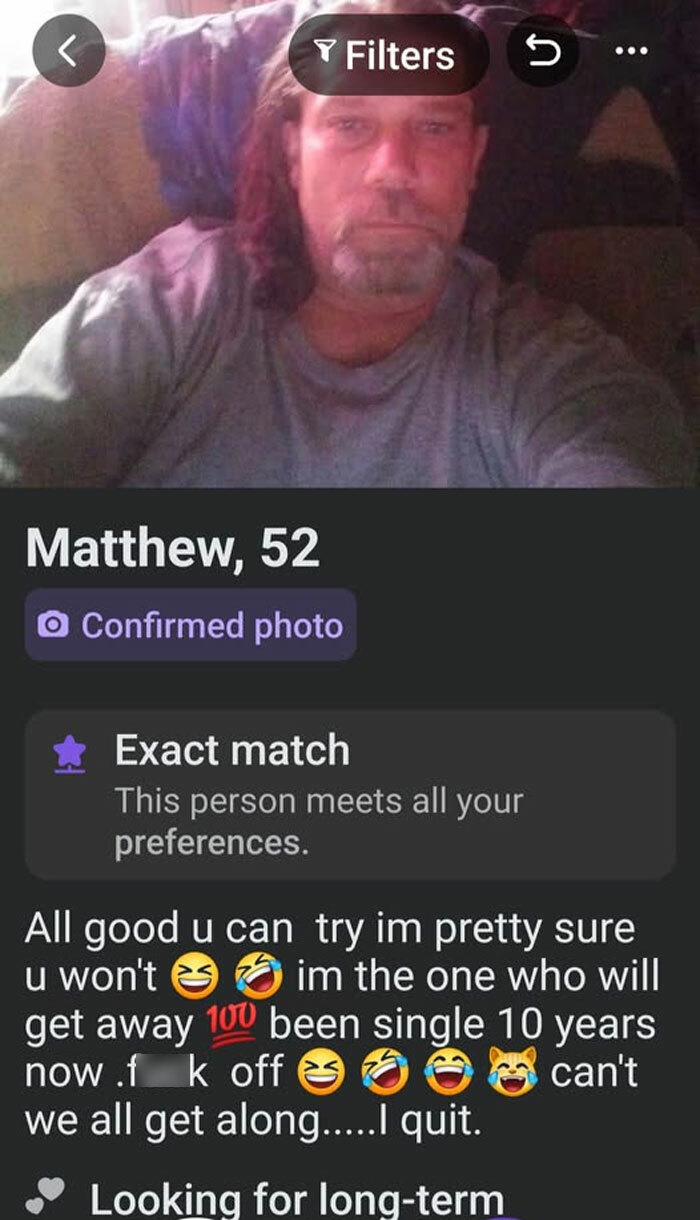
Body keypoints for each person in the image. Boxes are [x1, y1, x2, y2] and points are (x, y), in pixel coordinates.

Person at [0, 0, 694, 487]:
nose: (394, 168)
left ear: (475, 159)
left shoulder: (544, 368)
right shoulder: (171, 307)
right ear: (291, 154)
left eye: (433, 127)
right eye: (351, 125)